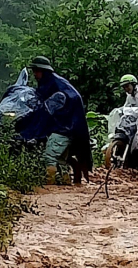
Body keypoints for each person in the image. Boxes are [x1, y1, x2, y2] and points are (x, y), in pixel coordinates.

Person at [30, 56, 93, 185]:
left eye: (37, 71)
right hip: (69, 129)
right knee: (61, 161)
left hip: (63, 129)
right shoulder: (59, 84)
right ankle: (66, 185)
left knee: (49, 157)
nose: (35, 74)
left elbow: (46, 110)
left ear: (44, 71)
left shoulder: (56, 88)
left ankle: (49, 186)